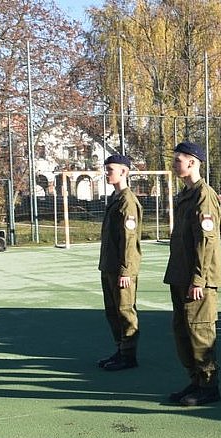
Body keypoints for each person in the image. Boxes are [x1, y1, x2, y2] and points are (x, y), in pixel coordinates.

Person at [163, 142, 221, 406]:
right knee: (182, 331)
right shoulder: (186, 195)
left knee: (200, 332)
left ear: (193, 163)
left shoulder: (204, 195)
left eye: (179, 160)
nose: (175, 164)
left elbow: (206, 240)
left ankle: (209, 385)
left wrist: (198, 278)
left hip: (197, 279)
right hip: (181, 275)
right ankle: (196, 380)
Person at [96, 154, 143, 372]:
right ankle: (120, 349)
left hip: (121, 268)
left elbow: (129, 239)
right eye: (106, 169)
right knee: (112, 311)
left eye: (111, 169)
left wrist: (126, 270)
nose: (107, 173)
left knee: (125, 310)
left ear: (124, 172)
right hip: (109, 265)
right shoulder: (115, 199)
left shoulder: (127, 201)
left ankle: (129, 354)